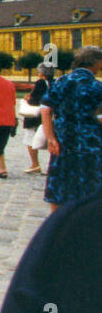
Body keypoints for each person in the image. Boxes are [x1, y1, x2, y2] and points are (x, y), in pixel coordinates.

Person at [42, 45, 102, 211]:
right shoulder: (97, 87)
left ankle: (56, 225)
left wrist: (51, 138)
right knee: (89, 188)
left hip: (63, 142)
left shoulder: (60, 83)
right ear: (95, 63)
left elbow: (45, 110)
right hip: (90, 145)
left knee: (59, 186)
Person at [23, 63, 53, 174]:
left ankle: (35, 164)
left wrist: (28, 99)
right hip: (49, 115)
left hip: (36, 116)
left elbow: (36, 99)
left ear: (42, 72)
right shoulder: (54, 83)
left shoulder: (40, 82)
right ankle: (50, 165)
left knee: (30, 139)